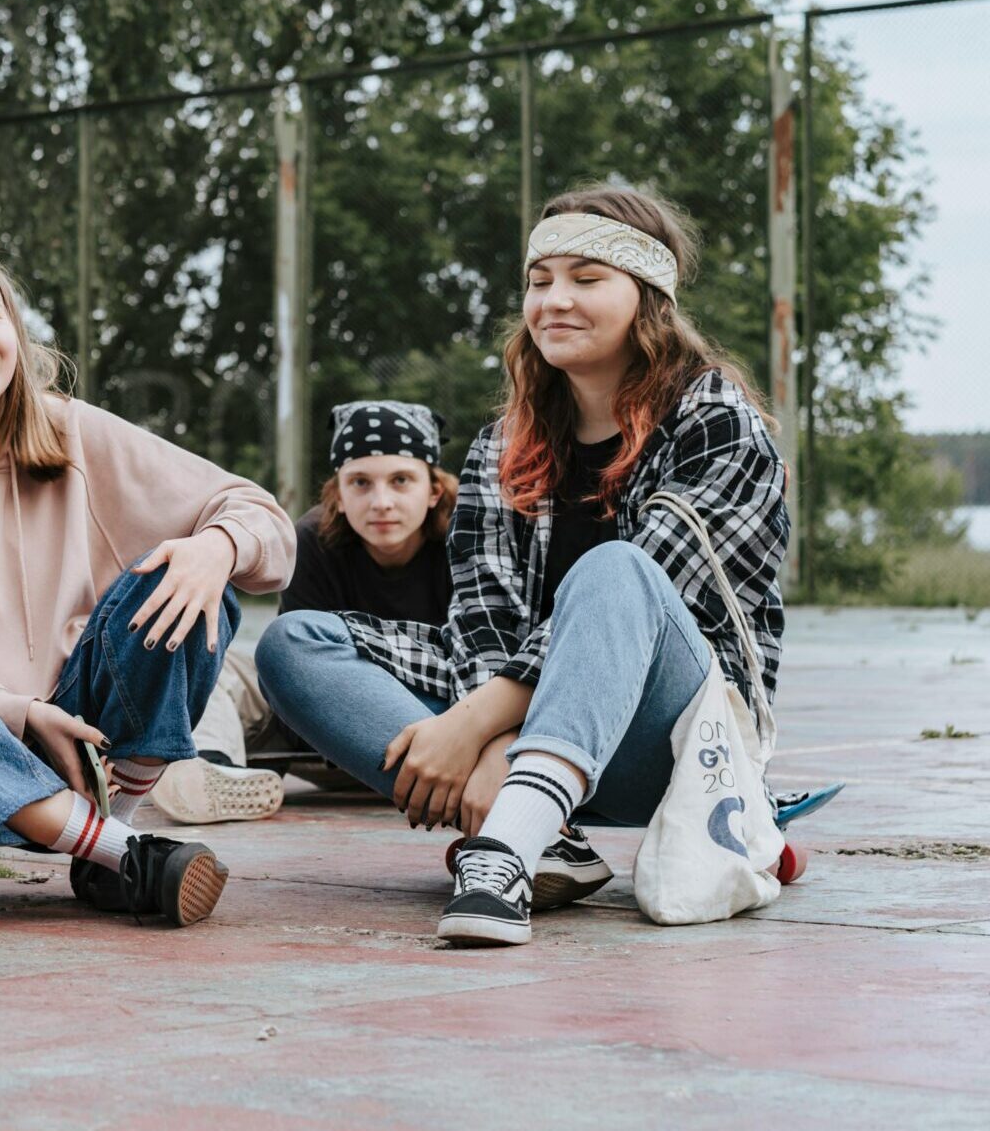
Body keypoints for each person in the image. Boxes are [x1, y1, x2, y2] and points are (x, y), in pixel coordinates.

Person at [256, 186, 790, 947]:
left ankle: (503, 851)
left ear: (650, 298)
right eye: (540, 281)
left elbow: (665, 591)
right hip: (520, 719)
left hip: (666, 740)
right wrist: (483, 727)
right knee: (293, 643)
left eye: (586, 278)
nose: (554, 301)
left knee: (617, 572)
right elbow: (480, 618)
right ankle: (548, 834)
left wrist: (478, 730)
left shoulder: (717, 420)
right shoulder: (502, 444)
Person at [0, 241, 294, 926]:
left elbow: (262, 519)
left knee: (189, 575)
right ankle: (125, 850)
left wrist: (217, 547)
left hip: (86, 732)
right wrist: (15, 712)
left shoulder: (71, 431)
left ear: (14, 331)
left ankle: (113, 836)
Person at [156, 400, 458, 825]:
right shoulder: (311, 541)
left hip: (433, 735)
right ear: (338, 491)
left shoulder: (466, 541)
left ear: (433, 491)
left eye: (401, 480)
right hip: (317, 739)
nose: (381, 501)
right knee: (220, 665)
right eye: (360, 483)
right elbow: (300, 678)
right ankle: (210, 768)